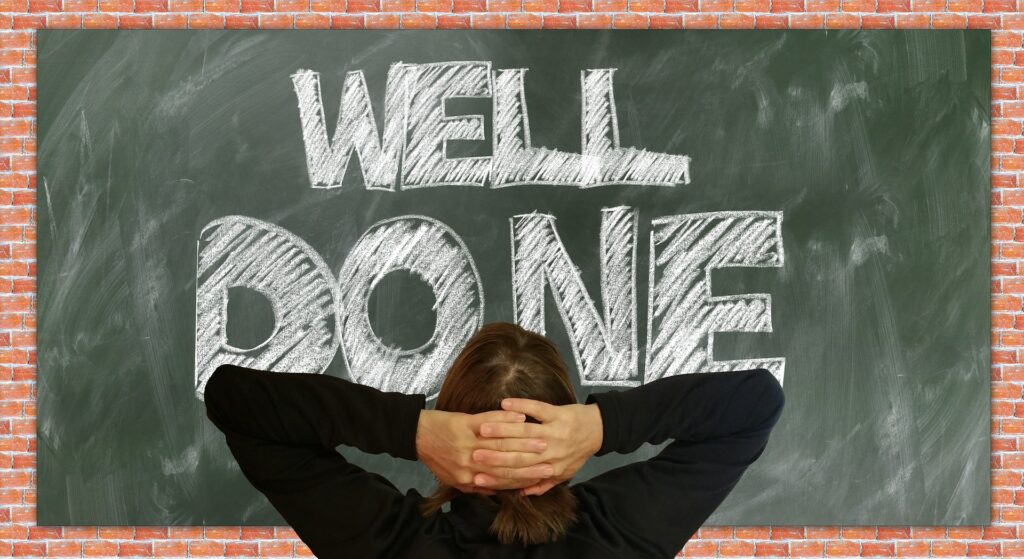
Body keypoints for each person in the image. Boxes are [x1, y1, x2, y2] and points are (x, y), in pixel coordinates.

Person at [203, 322, 785, 559]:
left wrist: (412, 431)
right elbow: (756, 403)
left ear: (452, 433)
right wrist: (603, 426)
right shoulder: (623, 533)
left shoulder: (391, 546)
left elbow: (235, 400)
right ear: (561, 437)